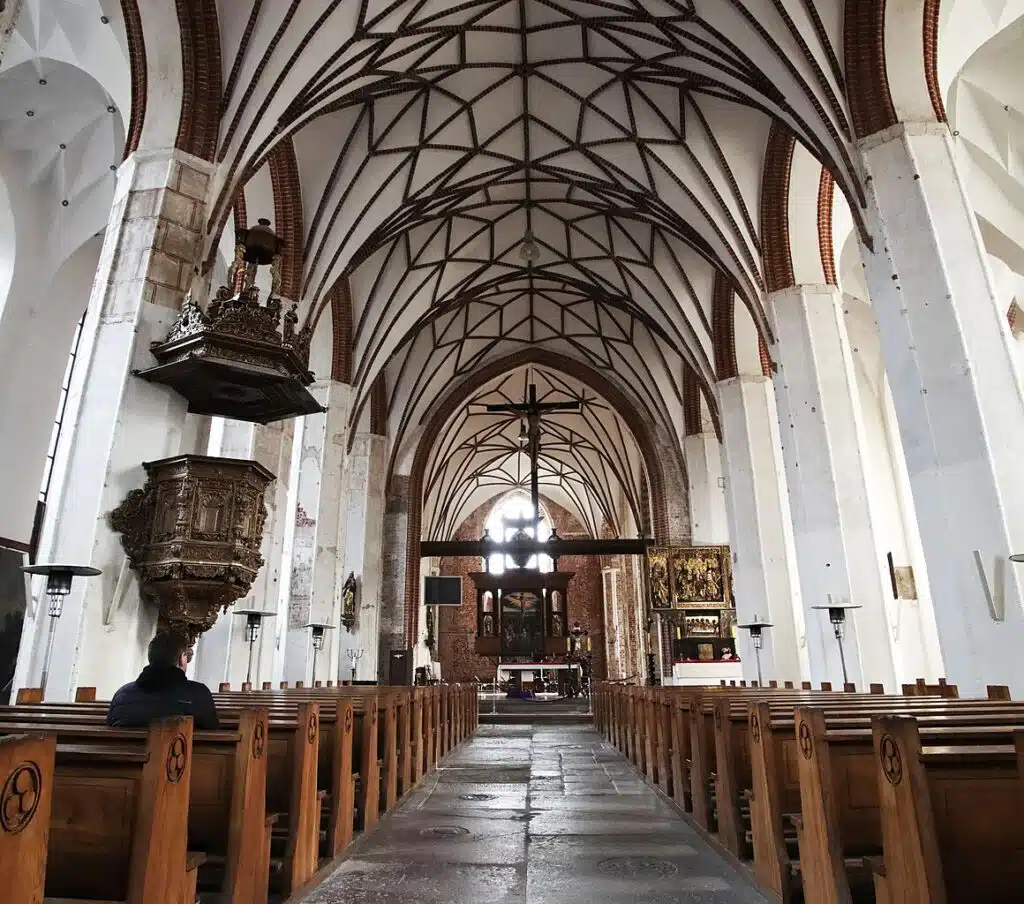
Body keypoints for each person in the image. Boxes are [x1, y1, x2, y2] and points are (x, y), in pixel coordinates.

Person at [107, 630, 219, 729]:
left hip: (123, 752)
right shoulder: (199, 693)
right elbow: (212, 734)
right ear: (181, 658)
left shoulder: (122, 693)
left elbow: (110, 728)